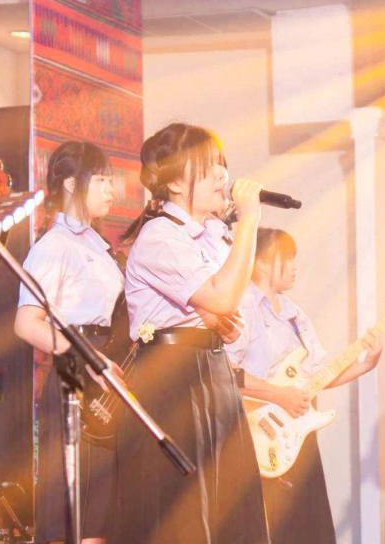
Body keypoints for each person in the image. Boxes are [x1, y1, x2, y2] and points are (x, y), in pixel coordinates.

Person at [109, 123, 270, 544]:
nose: (222, 175)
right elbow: (221, 296)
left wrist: (217, 323)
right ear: (177, 182)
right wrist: (250, 220)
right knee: (183, 513)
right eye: (209, 165)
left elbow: (226, 302)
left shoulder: (211, 234)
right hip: (170, 380)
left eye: (222, 163)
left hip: (212, 372)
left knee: (227, 508)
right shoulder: (160, 236)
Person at [226, 227, 382, 544]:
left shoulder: (295, 315)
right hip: (256, 432)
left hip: (296, 436)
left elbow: (318, 374)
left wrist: (365, 364)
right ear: (262, 262)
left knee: (306, 529)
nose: (295, 267)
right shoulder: (242, 306)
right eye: (287, 258)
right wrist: (277, 395)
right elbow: (227, 370)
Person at [14, 140, 124, 544]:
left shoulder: (96, 244)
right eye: (101, 180)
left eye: (111, 181)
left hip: (103, 376)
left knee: (103, 511)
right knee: (76, 510)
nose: (111, 190)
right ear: (72, 184)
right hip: (74, 381)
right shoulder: (53, 246)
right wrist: (86, 358)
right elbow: (26, 324)